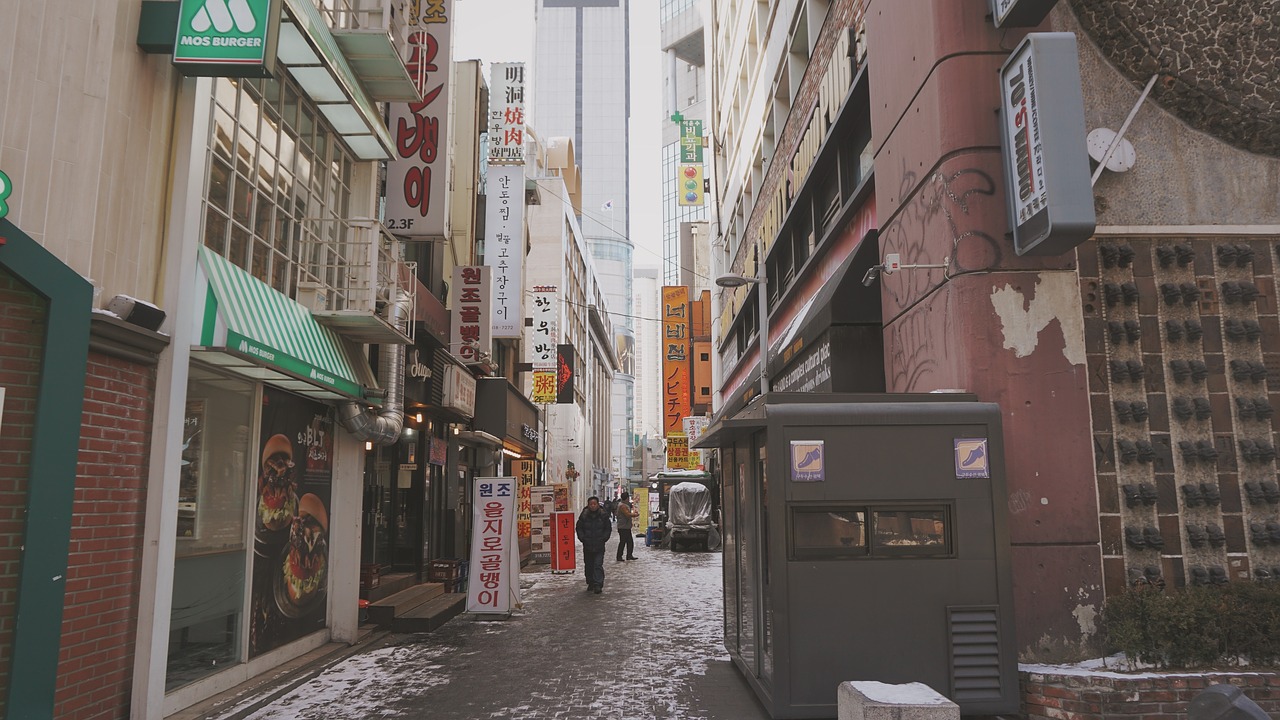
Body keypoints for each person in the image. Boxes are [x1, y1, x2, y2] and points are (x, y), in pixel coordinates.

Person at [575, 496, 612, 594]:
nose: (593, 506)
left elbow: (608, 528)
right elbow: (579, 528)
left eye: (594, 504)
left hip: (599, 545)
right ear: (588, 505)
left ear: (598, 505)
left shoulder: (603, 516)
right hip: (587, 545)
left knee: (598, 565)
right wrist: (582, 538)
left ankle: (598, 584)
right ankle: (590, 582)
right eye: (591, 504)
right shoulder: (584, 516)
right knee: (589, 565)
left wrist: (604, 538)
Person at [614, 492, 639, 561]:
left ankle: (628, 555)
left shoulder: (623, 505)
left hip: (625, 526)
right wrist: (635, 515)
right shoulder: (623, 506)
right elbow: (627, 514)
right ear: (627, 498)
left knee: (629, 542)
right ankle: (620, 556)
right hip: (623, 527)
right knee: (623, 542)